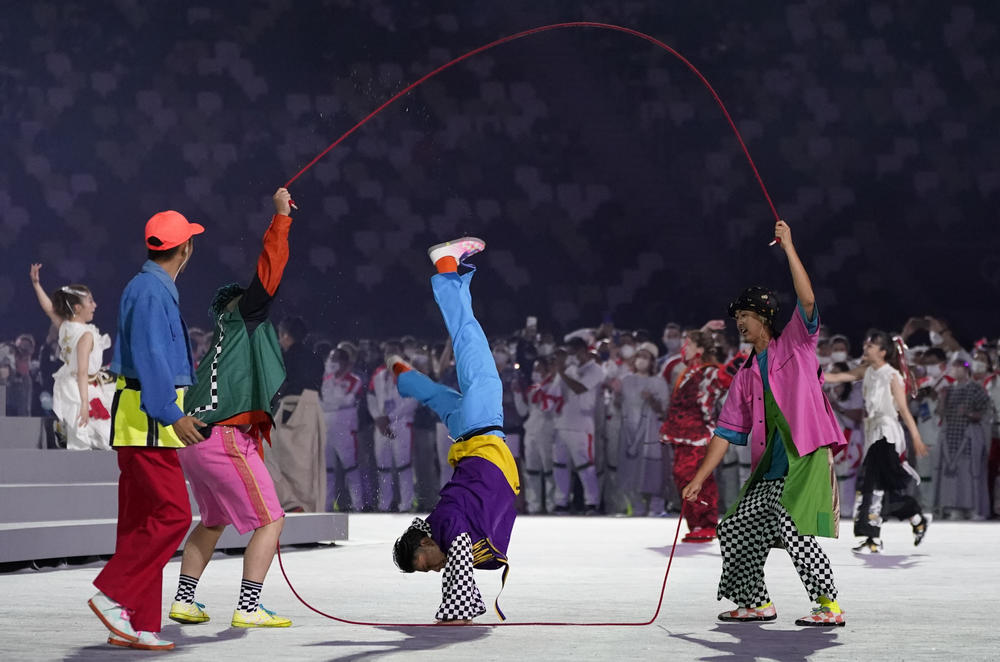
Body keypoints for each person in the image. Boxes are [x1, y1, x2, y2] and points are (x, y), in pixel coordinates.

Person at [682, 220, 848, 628]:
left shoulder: (796, 342)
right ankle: (755, 602)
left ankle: (828, 606)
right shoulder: (744, 373)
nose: (740, 322)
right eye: (737, 315)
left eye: (747, 315)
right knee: (737, 527)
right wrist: (700, 477)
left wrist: (789, 246)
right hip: (772, 468)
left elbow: (806, 299)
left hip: (806, 457)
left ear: (765, 317)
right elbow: (724, 432)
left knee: (794, 532)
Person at [167, 188, 296, 630]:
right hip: (223, 436)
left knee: (214, 520)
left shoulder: (222, 341)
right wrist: (280, 217)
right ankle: (249, 606)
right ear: (237, 307)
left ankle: (184, 600)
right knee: (272, 520)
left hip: (195, 440)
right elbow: (268, 274)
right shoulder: (244, 317)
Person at [88, 208, 207, 651]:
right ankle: (114, 593)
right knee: (173, 514)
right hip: (149, 422)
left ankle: (137, 623)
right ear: (186, 248)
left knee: (141, 523)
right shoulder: (155, 293)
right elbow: (155, 357)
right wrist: (172, 415)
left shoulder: (145, 287)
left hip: (137, 419)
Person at [391, 237, 519, 624]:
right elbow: (456, 558)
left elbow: (460, 564)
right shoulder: (438, 526)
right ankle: (408, 380)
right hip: (466, 433)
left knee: (468, 336)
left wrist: (455, 610)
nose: (432, 569)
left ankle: (445, 266)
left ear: (426, 543)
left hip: (481, 427)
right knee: (442, 400)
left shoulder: (447, 530)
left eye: (424, 564)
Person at [824, 331, 930, 553]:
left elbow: (903, 409)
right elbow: (839, 377)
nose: (866, 347)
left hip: (887, 434)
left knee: (871, 484)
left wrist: (916, 437)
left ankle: (873, 536)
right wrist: (810, 373)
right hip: (873, 432)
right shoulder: (867, 371)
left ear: (882, 351)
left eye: (871, 345)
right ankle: (914, 516)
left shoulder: (892, 376)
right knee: (884, 488)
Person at [29, 265, 114, 450]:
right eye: (90, 301)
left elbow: (49, 309)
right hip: (82, 387)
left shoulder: (65, 325)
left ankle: (61, 440)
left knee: (72, 426)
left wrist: (36, 284)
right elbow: (83, 371)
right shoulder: (85, 335)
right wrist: (85, 403)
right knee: (89, 434)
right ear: (77, 307)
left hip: (67, 383)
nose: (95, 305)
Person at [661, 331, 726, 540]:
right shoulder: (689, 371)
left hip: (698, 433)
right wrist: (705, 328)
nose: (683, 348)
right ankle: (695, 523)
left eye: (688, 345)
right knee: (681, 476)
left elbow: (725, 377)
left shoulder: (710, 372)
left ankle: (706, 522)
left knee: (698, 478)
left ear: (699, 350)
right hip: (681, 433)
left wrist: (744, 356)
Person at [265, 316, 326, 512]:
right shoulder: (315, 357)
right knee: (308, 462)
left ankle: (291, 502)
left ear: (284, 335)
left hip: (292, 408)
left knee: (274, 454)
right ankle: (307, 505)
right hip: (314, 408)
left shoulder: (285, 357)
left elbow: (281, 386)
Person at [552, 337, 604, 514]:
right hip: (562, 423)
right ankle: (562, 501)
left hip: (582, 425)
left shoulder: (596, 370)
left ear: (583, 351)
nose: (571, 357)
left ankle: (592, 502)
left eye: (573, 352)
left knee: (585, 466)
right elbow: (555, 393)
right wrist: (561, 371)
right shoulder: (569, 369)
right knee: (560, 465)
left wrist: (562, 372)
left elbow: (580, 388)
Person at [619, 341, 670, 517]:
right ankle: (635, 505)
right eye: (639, 356)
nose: (641, 360)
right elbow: (619, 404)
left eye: (645, 357)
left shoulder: (658, 382)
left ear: (652, 361)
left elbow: (663, 410)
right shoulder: (626, 380)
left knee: (653, 470)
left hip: (651, 432)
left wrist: (651, 400)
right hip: (629, 432)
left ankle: (656, 506)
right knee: (631, 469)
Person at [936, 359, 992, 519]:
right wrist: (942, 398)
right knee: (953, 475)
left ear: (964, 369)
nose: (953, 370)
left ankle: (975, 508)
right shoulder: (948, 390)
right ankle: (955, 507)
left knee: (970, 473)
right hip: (951, 436)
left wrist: (968, 414)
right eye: (952, 366)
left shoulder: (976, 388)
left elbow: (984, 412)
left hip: (969, 436)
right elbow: (940, 413)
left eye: (957, 367)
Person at [368, 340, 419, 511]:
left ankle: (406, 504)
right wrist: (378, 418)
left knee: (403, 465)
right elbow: (371, 397)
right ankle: (384, 503)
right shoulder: (378, 374)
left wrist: (390, 417)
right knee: (383, 466)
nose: (390, 355)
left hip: (402, 423)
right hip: (381, 425)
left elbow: (413, 401)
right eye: (387, 352)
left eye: (394, 351)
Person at [515, 356, 562, 514]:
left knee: (548, 468)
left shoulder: (553, 386)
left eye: (539, 368)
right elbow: (523, 411)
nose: (535, 372)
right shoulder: (532, 389)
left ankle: (551, 504)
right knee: (531, 470)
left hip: (547, 429)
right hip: (531, 431)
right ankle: (534, 504)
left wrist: (545, 389)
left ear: (546, 370)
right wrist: (516, 394)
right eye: (534, 369)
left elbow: (548, 407)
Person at [322, 344, 364, 511]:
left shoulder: (355, 381)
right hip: (327, 430)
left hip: (345, 431)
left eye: (336, 359)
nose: (332, 362)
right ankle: (326, 506)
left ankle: (358, 505)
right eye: (331, 359)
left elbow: (346, 401)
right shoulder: (324, 381)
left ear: (345, 363)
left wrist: (330, 404)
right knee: (328, 470)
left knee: (351, 469)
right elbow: (321, 402)